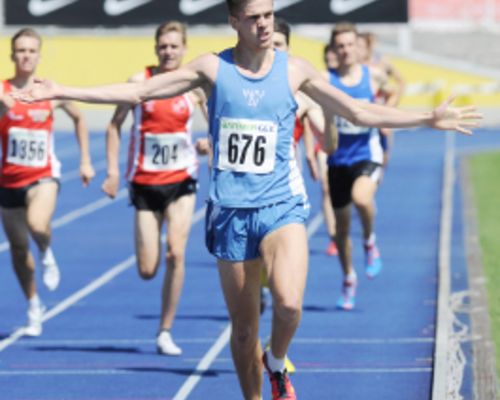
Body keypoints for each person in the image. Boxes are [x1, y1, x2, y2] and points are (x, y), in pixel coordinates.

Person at [15, 1, 480, 398]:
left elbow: (356, 108)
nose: (264, 24)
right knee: (242, 330)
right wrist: (61, 90)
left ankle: (277, 361)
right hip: (230, 213)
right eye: (254, 16)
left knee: (290, 303)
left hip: (281, 206)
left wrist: (426, 117)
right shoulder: (211, 69)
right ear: (235, 21)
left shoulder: (294, 70)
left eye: (270, 15)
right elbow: (137, 91)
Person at [101, 21, 207, 356]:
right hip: (145, 184)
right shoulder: (139, 83)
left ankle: (165, 330)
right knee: (148, 270)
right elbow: (115, 124)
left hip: (181, 180)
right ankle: (155, 246)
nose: (169, 52)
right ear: (156, 48)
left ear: (184, 48)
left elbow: (221, 123)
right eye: (163, 46)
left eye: (175, 46)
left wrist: (209, 142)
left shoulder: (194, 87)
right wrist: (112, 172)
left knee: (177, 252)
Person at [0, 28, 94, 337]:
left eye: (31, 50)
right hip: (9, 180)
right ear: (13, 55)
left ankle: (47, 252)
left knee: (37, 224)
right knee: (16, 248)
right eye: (21, 50)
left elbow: (79, 118)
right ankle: (33, 304)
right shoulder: (3, 91)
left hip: (43, 176)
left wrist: (84, 160)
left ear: (39, 56)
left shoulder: (48, 92)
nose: (26, 55)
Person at [357, 31, 406, 168]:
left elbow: (400, 82)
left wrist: (392, 106)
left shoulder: (382, 62)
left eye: (373, 42)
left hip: (381, 110)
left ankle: (377, 175)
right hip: (363, 113)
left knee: (383, 155)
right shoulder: (353, 65)